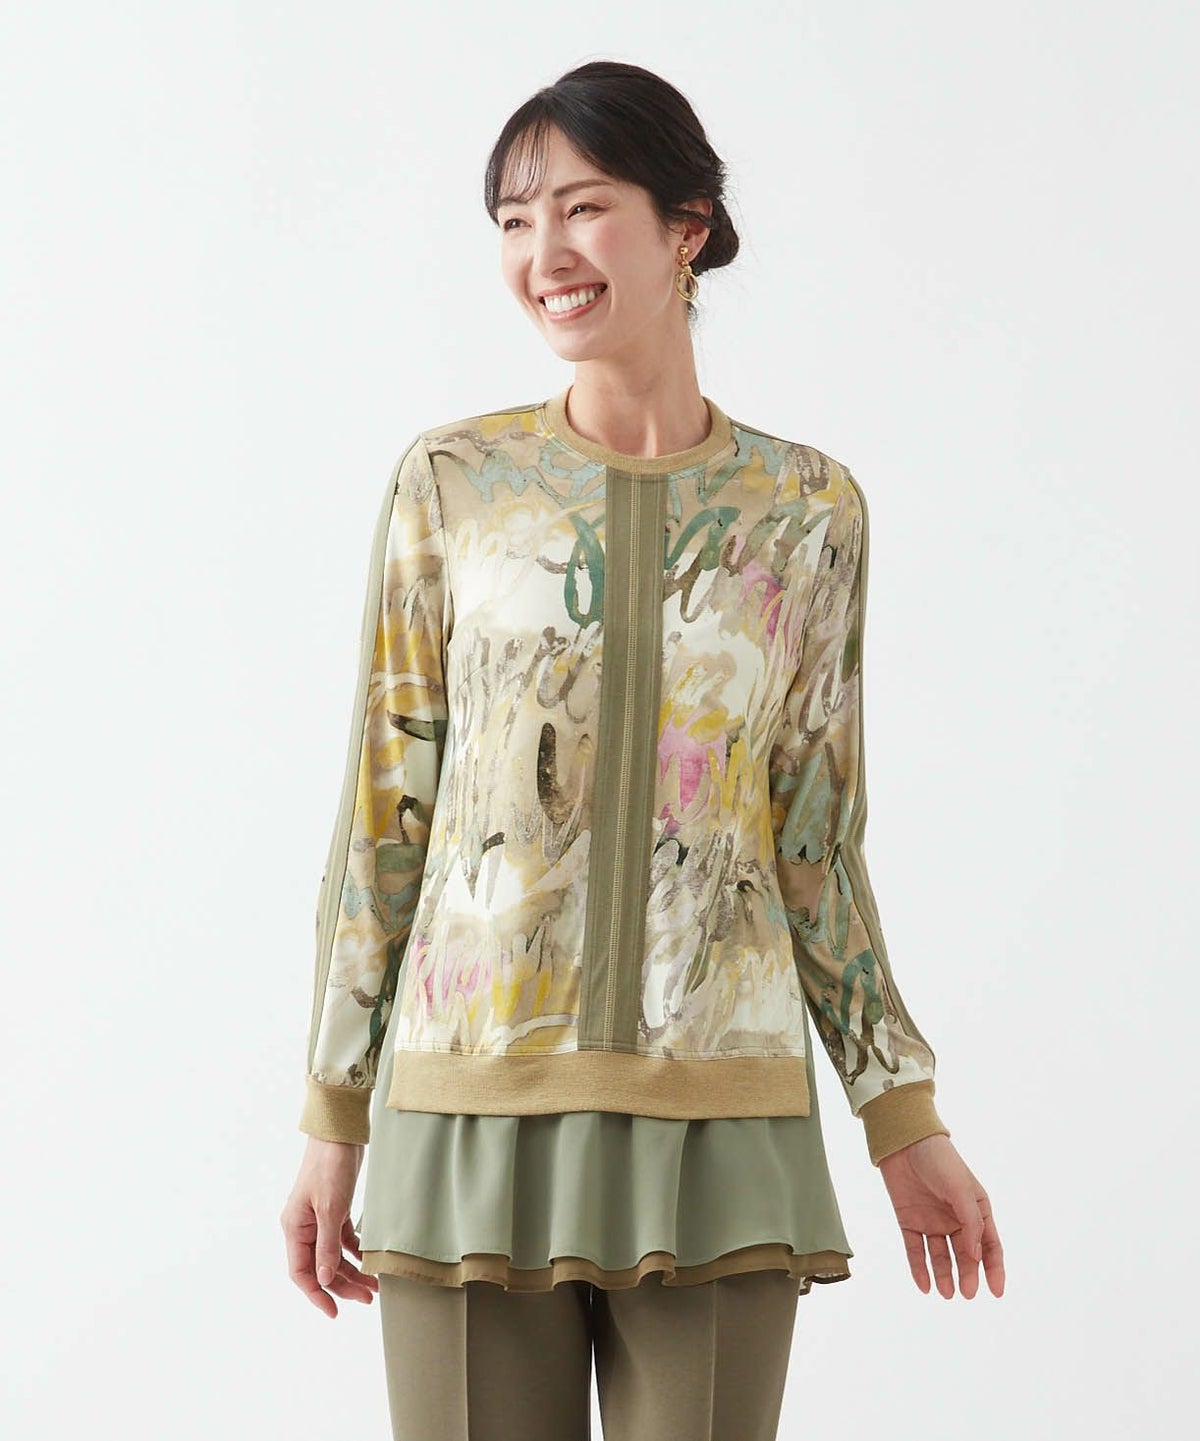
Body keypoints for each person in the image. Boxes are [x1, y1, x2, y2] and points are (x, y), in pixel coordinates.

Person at [281, 59, 1005, 1441]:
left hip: (721, 1121)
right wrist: (333, 1113)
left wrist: (900, 1110)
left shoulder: (806, 510)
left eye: (581, 207)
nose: (543, 252)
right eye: (513, 220)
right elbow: (386, 813)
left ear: (688, 225)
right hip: (465, 1108)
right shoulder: (454, 485)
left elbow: (814, 836)